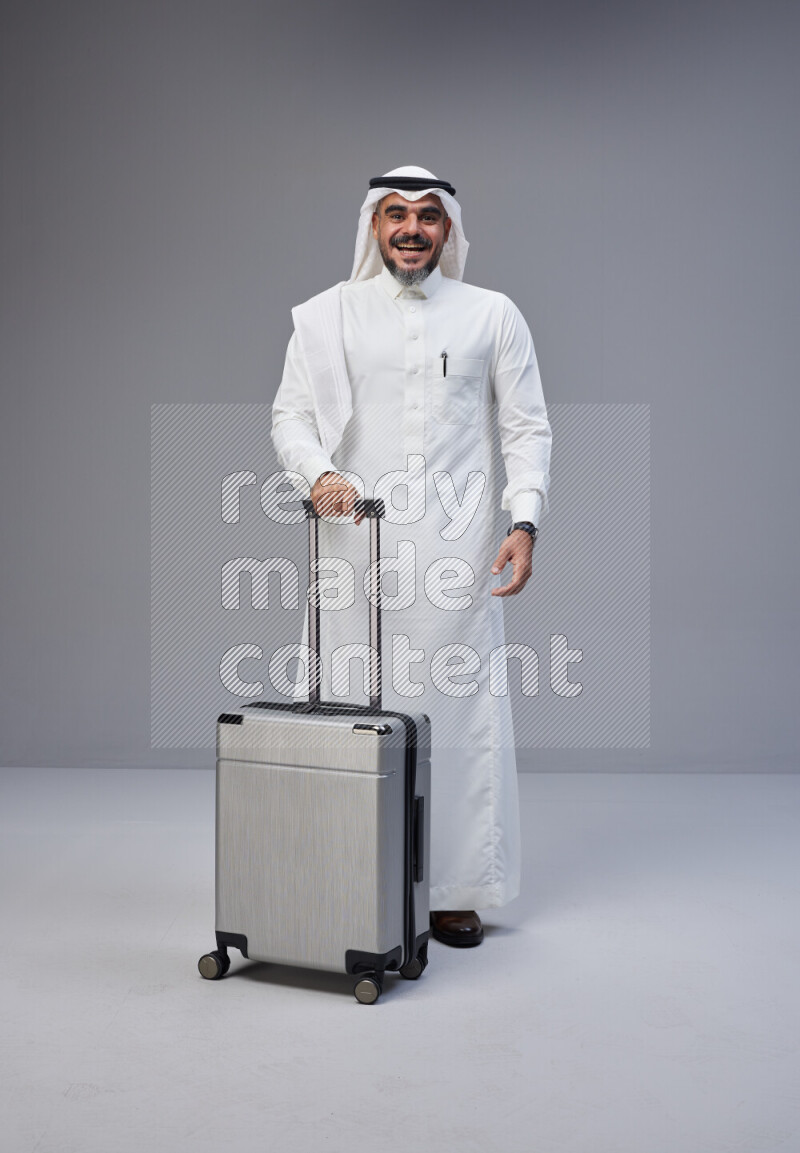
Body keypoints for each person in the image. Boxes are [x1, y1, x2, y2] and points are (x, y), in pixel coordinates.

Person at [271, 166, 551, 948]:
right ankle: (343, 872)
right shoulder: (328, 316)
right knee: (344, 714)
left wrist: (524, 523)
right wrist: (318, 473)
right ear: (372, 225)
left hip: (457, 560)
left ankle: (453, 891)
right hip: (352, 551)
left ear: (450, 229)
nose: (412, 229)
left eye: (429, 216)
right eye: (396, 214)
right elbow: (290, 416)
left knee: (457, 717)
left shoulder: (492, 315)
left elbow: (527, 427)